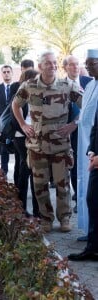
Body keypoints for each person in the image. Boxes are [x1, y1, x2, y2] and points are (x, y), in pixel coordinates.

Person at [12, 50, 82, 233]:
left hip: (61, 145)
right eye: (48, 63)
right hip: (37, 145)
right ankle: (46, 219)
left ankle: (65, 218)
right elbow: (15, 104)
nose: (52, 66)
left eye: (54, 63)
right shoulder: (29, 85)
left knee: (62, 184)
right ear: (40, 66)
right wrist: (22, 124)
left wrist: (74, 124)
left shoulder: (67, 85)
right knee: (39, 186)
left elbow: (87, 105)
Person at [68, 99, 98, 261]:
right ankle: (92, 248)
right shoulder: (92, 87)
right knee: (92, 200)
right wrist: (91, 151)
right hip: (95, 161)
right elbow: (96, 126)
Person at [62, 55, 92, 214]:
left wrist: (77, 122)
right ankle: (78, 198)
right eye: (71, 65)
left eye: (77, 64)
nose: (75, 67)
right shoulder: (60, 85)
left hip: (88, 131)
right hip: (70, 134)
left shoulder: (89, 82)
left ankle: (88, 196)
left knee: (89, 163)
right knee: (74, 166)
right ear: (65, 67)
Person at [75, 49, 98, 243]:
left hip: (95, 146)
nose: (88, 66)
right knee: (88, 191)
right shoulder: (90, 85)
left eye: (92, 63)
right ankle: (91, 233)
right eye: (87, 63)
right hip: (87, 142)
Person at [11, 68, 40, 218]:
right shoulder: (20, 93)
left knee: (35, 171)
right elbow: (15, 119)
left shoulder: (37, 92)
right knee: (27, 169)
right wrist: (27, 131)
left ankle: (37, 210)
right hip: (21, 137)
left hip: (34, 137)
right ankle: (21, 207)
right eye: (36, 78)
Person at [0, 65, 13, 177]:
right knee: (4, 149)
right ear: (2, 74)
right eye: (4, 72)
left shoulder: (17, 87)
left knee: (17, 148)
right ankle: (4, 171)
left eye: (8, 71)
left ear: (12, 73)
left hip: (15, 124)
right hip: (2, 125)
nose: (6, 74)